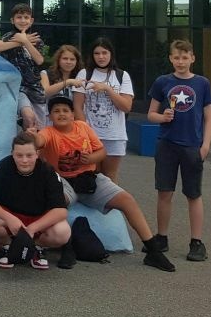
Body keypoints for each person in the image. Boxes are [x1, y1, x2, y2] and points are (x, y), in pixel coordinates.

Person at [30, 96, 174, 272]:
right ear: (50, 116)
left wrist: (90, 158)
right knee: (57, 204)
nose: (61, 114)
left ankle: (153, 251)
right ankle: (67, 248)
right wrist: (32, 136)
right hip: (63, 180)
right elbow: (38, 141)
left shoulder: (83, 127)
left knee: (127, 200)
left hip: (89, 178)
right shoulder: (48, 132)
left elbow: (101, 151)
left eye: (65, 110)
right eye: (56, 111)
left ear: (73, 114)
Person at [146, 39, 211, 262]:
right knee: (164, 192)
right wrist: (162, 117)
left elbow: (209, 117)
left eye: (185, 57)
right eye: (176, 57)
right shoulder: (162, 82)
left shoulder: (202, 83)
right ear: (171, 59)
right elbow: (151, 114)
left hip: (192, 146)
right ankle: (162, 237)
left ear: (193, 58)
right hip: (167, 144)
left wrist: (205, 145)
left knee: (193, 194)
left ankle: (196, 241)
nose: (181, 62)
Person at [0, 132, 72, 270]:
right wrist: (9, 218)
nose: (24, 160)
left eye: (29, 155)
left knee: (62, 232)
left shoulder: (48, 171)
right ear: (12, 154)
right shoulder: (3, 167)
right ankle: (8, 247)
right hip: (10, 216)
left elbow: (61, 211)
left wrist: (32, 229)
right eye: (19, 155)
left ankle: (36, 249)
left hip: (38, 218)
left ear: (37, 154)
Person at [74, 37, 133, 182]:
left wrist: (107, 89)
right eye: (97, 53)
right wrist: (85, 132)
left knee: (110, 177)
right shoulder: (84, 74)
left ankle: (111, 199)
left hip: (115, 135)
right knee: (91, 174)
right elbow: (77, 106)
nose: (101, 57)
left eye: (104, 53)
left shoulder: (121, 75)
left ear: (111, 54)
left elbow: (126, 106)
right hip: (91, 134)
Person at [0, 4, 46, 129]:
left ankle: (28, 140)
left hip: (35, 88)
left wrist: (26, 41)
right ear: (12, 20)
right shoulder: (9, 37)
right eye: (19, 17)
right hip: (17, 86)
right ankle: (24, 138)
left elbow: (39, 60)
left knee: (39, 127)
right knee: (28, 116)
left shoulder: (36, 39)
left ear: (31, 20)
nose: (23, 20)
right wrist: (20, 41)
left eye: (26, 17)